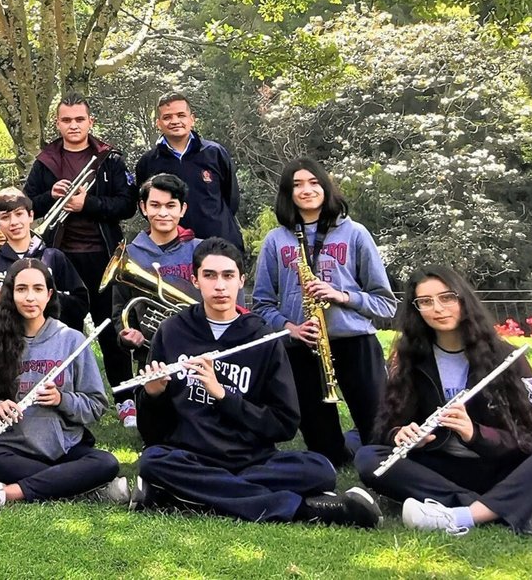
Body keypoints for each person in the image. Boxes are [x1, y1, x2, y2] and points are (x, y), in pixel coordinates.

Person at [132, 239, 380, 527]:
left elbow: (284, 424)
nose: (220, 286)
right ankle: (303, 509)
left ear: (241, 280)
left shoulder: (264, 338)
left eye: (228, 276)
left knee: (320, 469)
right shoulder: (172, 331)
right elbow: (152, 433)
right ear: (195, 281)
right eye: (209, 276)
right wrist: (153, 396)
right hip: (191, 456)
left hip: (252, 460)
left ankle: (178, 496)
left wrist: (224, 396)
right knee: (153, 460)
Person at [356, 266, 532, 539]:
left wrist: (476, 434)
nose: (437, 308)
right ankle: (517, 510)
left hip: (502, 468)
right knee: (369, 459)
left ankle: (461, 515)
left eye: (446, 297)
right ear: (416, 310)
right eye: (425, 302)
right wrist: (397, 434)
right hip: (442, 470)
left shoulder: (507, 357)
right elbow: (384, 429)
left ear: (462, 299)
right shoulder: (409, 359)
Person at [252, 157, 397, 467]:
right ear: (287, 194)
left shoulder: (355, 233)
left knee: (380, 436)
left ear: (326, 187)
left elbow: (385, 303)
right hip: (302, 346)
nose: (306, 190)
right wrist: (290, 328)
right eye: (297, 185)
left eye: (313, 182)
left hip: (354, 342)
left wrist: (341, 296)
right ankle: (343, 450)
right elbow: (261, 304)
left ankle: (373, 460)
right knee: (325, 451)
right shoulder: (276, 240)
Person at [0, 258, 122, 507]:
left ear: (49, 294)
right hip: (16, 449)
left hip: (65, 448)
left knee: (107, 463)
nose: (30, 297)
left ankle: (6, 494)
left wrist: (62, 399)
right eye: (21, 289)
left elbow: (96, 406)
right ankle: (80, 486)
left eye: (38, 289)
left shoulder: (72, 340)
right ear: (10, 294)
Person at [22, 94, 137, 391]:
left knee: (110, 327)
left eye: (79, 119)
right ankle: (63, 392)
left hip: (104, 256)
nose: (73, 125)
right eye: (67, 120)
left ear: (90, 122)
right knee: (61, 329)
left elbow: (128, 205)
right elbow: (27, 205)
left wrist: (88, 203)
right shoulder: (46, 161)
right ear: (58, 123)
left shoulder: (109, 159)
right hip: (61, 259)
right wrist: (51, 196)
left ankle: (124, 395)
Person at [109, 172, 200, 428]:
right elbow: (119, 311)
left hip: (197, 348)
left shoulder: (200, 249)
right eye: (155, 205)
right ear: (143, 208)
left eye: (171, 206)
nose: (163, 213)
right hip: (150, 355)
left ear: (182, 209)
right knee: (157, 426)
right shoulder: (130, 255)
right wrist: (127, 334)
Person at [132, 94, 244, 249]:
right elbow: (146, 205)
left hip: (220, 244)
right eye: (167, 117)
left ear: (192, 119)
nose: (175, 121)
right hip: (173, 250)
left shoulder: (214, 153)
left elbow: (232, 198)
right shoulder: (148, 162)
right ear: (159, 123)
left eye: (181, 115)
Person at [0, 188, 87, 336]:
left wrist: (47, 295)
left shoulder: (55, 257)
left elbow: (81, 305)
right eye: (5, 217)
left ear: (31, 215)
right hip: (13, 347)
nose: (14, 222)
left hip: (56, 344)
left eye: (19, 214)